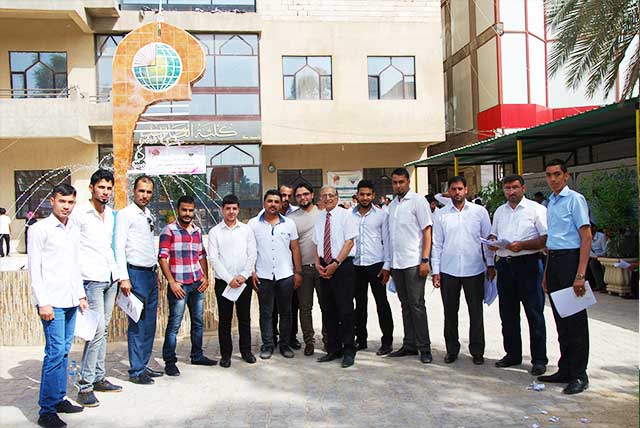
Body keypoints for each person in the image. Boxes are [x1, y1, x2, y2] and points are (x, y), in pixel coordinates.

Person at [28, 184, 88, 428]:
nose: (66, 206)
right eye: (62, 201)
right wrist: (43, 302)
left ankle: (59, 398)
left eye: (71, 202)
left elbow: (75, 264)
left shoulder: (73, 227)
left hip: (71, 300)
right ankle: (46, 410)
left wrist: (81, 295)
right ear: (52, 201)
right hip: (52, 303)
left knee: (64, 351)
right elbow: (35, 270)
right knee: (54, 353)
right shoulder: (39, 229)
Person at [538, 159, 592, 395]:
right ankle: (566, 368)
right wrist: (546, 274)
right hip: (555, 262)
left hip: (571, 261)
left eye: (557, 174)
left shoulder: (574, 200)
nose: (553, 179)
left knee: (576, 322)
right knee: (561, 321)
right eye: (549, 175)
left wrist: (580, 274)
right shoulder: (551, 202)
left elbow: (586, 237)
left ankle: (579, 374)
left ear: (566, 176)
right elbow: (552, 241)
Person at [432, 175, 495, 365]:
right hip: (449, 270)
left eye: (460, 189)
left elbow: (487, 240)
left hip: (474, 269)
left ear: (466, 190)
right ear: (449, 191)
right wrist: (436, 271)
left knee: (476, 313)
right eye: (453, 189)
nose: (457, 192)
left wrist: (490, 264)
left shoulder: (479, 212)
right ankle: (452, 350)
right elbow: (437, 244)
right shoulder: (441, 214)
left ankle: (477, 351)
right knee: (450, 313)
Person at [488, 174, 548, 376]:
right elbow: (494, 233)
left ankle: (539, 359)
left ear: (523, 188)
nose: (511, 192)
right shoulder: (500, 211)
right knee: (508, 314)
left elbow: (546, 238)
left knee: (534, 313)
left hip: (528, 265)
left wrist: (523, 245)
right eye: (507, 188)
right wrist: (493, 241)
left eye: (515, 187)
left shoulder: (536, 209)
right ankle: (512, 354)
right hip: (505, 265)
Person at [74, 169, 123, 407]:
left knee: (103, 330)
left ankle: (99, 377)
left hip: (110, 277)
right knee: (95, 331)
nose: (105, 192)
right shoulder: (79, 213)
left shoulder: (111, 215)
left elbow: (111, 247)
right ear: (91, 188)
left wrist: (120, 275)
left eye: (108, 188)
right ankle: (85, 386)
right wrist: (78, 289)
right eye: (101, 187)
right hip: (91, 278)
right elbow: (72, 250)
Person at [159, 195, 216, 377]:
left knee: (198, 322)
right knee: (174, 325)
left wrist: (206, 277)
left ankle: (197, 355)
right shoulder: (169, 231)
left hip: (196, 282)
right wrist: (172, 282)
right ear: (178, 209)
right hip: (179, 285)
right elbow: (162, 258)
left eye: (191, 210)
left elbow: (202, 255)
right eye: (184, 210)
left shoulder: (197, 231)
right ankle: (170, 362)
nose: (187, 213)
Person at [114, 175, 162, 385]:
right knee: (137, 323)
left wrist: (155, 271)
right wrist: (124, 277)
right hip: (135, 274)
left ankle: (143, 364)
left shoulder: (148, 214)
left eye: (149, 192)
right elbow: (118, 247)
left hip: (150, 274)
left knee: (149, 323)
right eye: (141, 191)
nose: (145, 195)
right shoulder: (125, 215)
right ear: (134, 191)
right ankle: (136, 370)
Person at [249, 190, 303, 360]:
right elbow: (249, 250)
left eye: (276, 201)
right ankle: (267, 345)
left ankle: (284, 345)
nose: (273, 204)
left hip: (285, 276)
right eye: (270, 201)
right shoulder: (253, 224)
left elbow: (295, 248)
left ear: (281, 204)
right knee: (266, 313)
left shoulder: (289, 224)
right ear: (264, 203)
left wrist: (298, 272)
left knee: (286, 313)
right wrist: (252, 271)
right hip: (263, 276)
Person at [387, 168, 433, 364]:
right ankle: (409, 345)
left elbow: (427, 232)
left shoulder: (418, 201)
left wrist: (425, 260)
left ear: (408, 182)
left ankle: (425, 348)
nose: (398, 185)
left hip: (414, 262)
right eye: (395, 182)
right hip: (397, 263)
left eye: (401, 182)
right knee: (405, 305)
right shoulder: (392, 205)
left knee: (417, 305)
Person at [208, 194, 257, 368]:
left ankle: (246, 352)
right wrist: (229, 279)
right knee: (225, 319)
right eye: (228, 208)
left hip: (244, 281)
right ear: (222, 210)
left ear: (238, 209)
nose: (231, 212)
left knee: (244, 318)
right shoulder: (214, 232)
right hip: (224, 283)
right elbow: (213, 259)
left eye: (234, 208)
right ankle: (226, 355)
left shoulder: (246, 230)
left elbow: (252, 254)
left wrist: (244, 275)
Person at [314, 185, 358, 368]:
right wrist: (317, 263)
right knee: (328, 310)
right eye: (324, 196)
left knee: (345, 310)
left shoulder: (346, 215)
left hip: (342, 266)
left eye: (331, 195)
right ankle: (333, 349)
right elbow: (317, 243)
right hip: (324, 266)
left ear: (337, 197)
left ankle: (349, 350)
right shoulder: (319, 218)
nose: (327, 198)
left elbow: (349, 242)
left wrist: (336, 263)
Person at [352, 180, 394, 355]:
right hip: (356, 265)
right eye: (362, 194)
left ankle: (387, 342)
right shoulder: (349, 215)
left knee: (381, 304)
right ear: (357, 195)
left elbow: (387, 242)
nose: (365, 197)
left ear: (373, 195)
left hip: (376, 265)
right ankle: (361, 340)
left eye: (368, 194)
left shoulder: (382, 215)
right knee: (359, 305)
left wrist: (387, 265)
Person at [288, 182, 326, 356]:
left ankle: (328, 339)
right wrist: (296, 271)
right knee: (305, 307)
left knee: (326, 305)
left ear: (312, 195)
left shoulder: (323, 213)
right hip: (303, 268)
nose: (302, 198)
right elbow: (291, 246)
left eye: (305, 194)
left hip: (323, 267)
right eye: (298, 195)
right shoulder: (292, 218)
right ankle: (309, 341)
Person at [272, 184, 301, 350]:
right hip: (271, 271)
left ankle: (291, 337)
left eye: (289, 196)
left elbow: (295, 246)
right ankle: (272, 337)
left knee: (291, 306)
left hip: (289, 270)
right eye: (283, 195)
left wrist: (297, 271)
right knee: (272, 308)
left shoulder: (295, 214)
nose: (286, 199)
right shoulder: (266, 215)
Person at [587, 223, 608, 292]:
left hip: (603, 256)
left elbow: (605, 250)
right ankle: (599, 285)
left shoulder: (601, 236)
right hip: (594, 256)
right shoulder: (587, 236)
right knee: (591, 263)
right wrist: (595, 256)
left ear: (594, 228)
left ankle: (605, 285)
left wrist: (599, 256)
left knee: (600, 264)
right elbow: (588, 250)